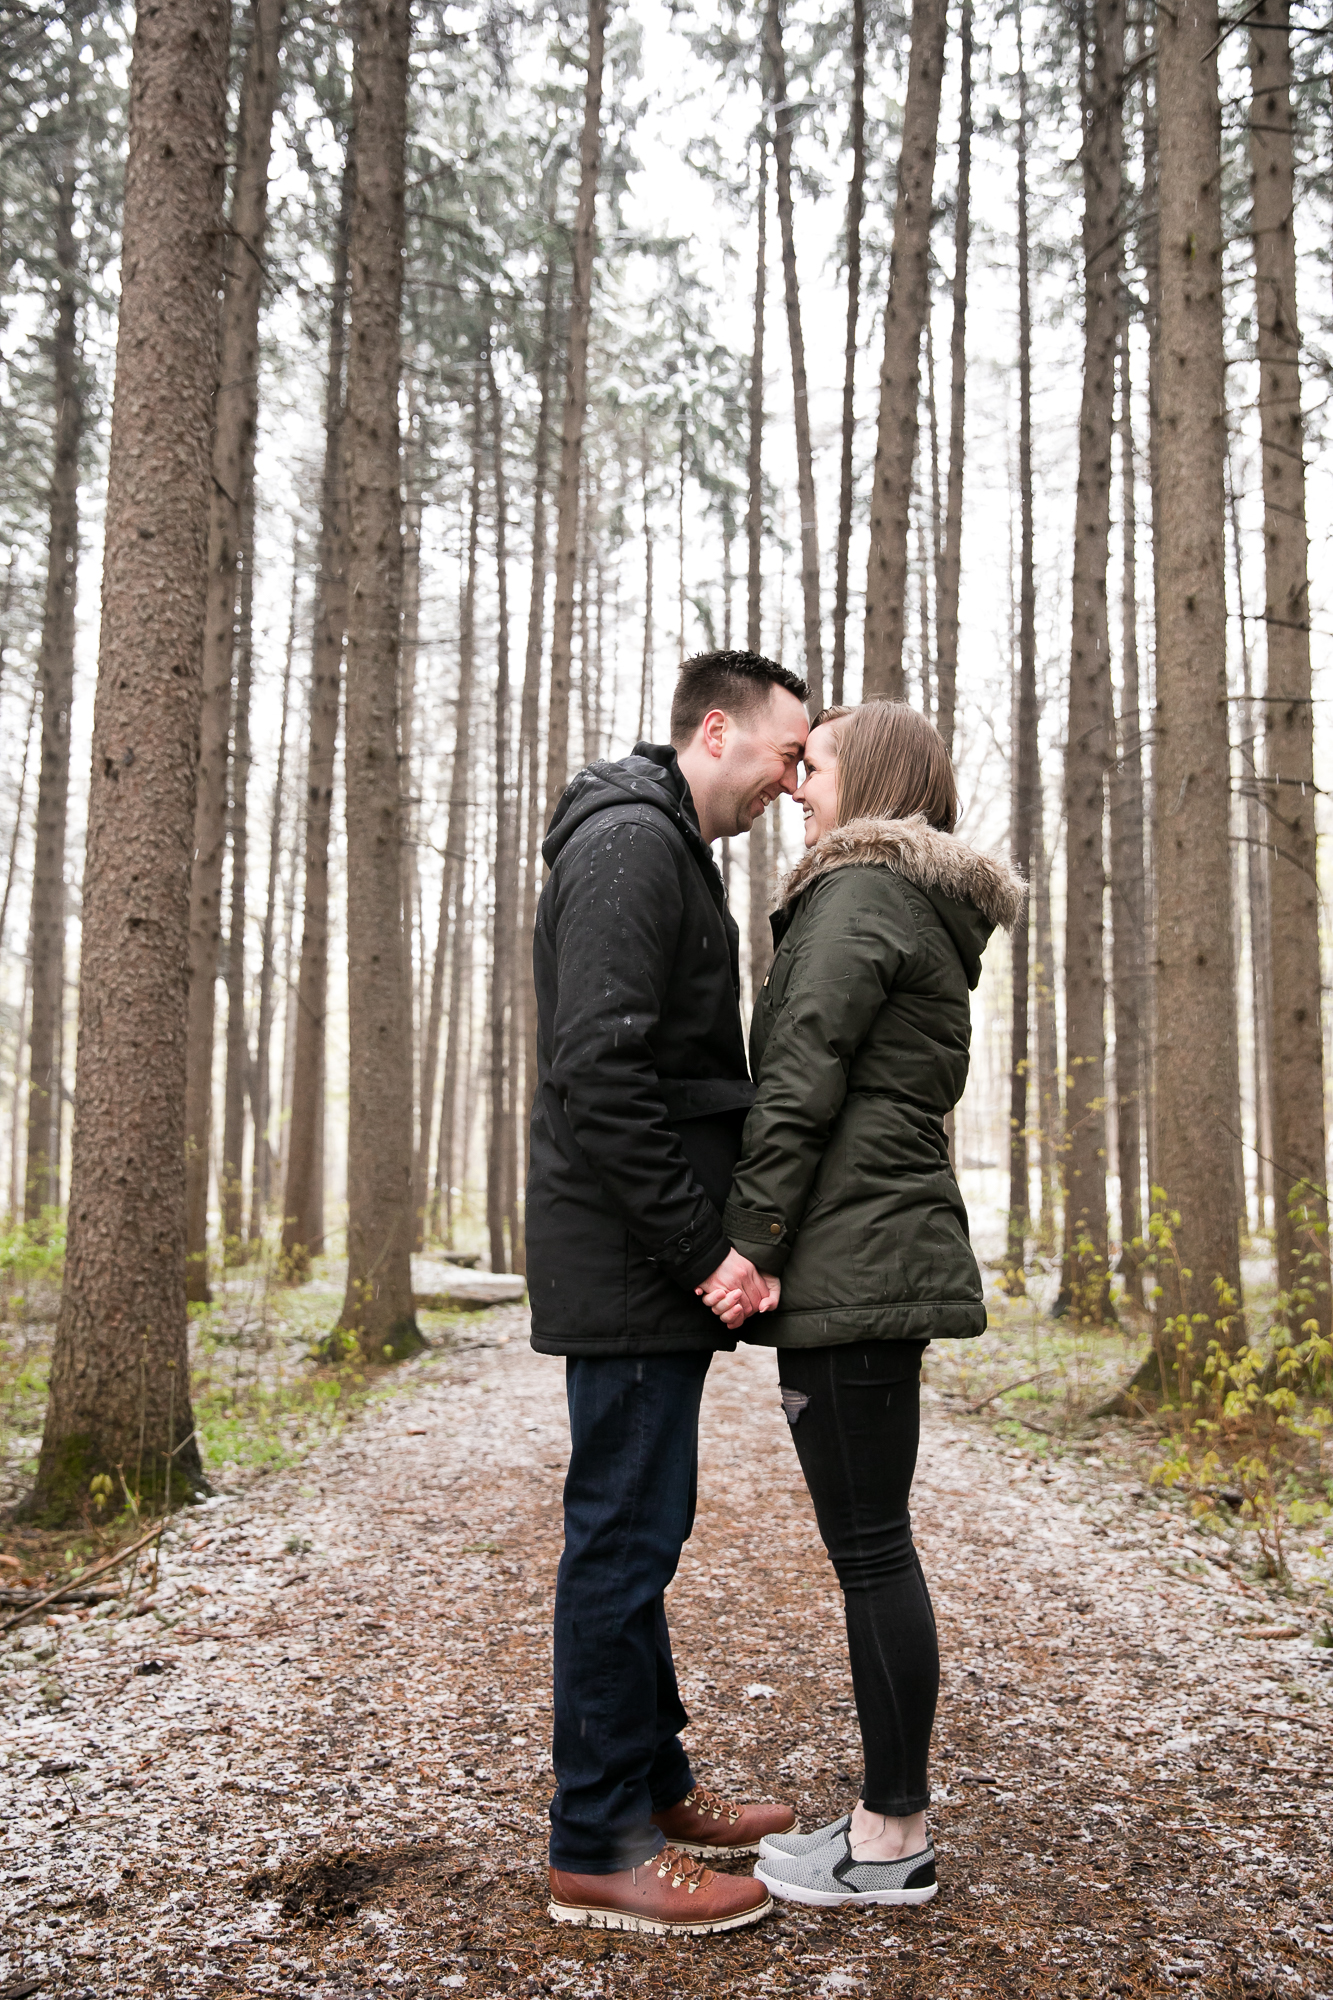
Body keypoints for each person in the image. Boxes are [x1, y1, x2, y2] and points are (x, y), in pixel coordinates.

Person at [698, 699, 1025, 1911]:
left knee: (872, 1549)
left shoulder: (861, 894)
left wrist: (754, 1236)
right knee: (872, 1544)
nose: (797, 782)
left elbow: (801, 1075)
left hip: (851, 1258)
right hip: (867, 1250)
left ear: (871, 777)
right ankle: (888, 1817)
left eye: (816, 764)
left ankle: (892, 1837)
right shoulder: (902, 900)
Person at [528, 649, 812, 1935]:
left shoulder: (663, 847)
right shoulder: (631, 846)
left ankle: (657, 1782)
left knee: (645, 1529)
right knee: (621, 1540)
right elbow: (598, 1072)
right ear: (715, 729)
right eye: (783, 753)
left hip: (648, 1267)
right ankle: (596, 1839)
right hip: (638, 1266)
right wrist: (703, 1251)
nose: (790, 778)